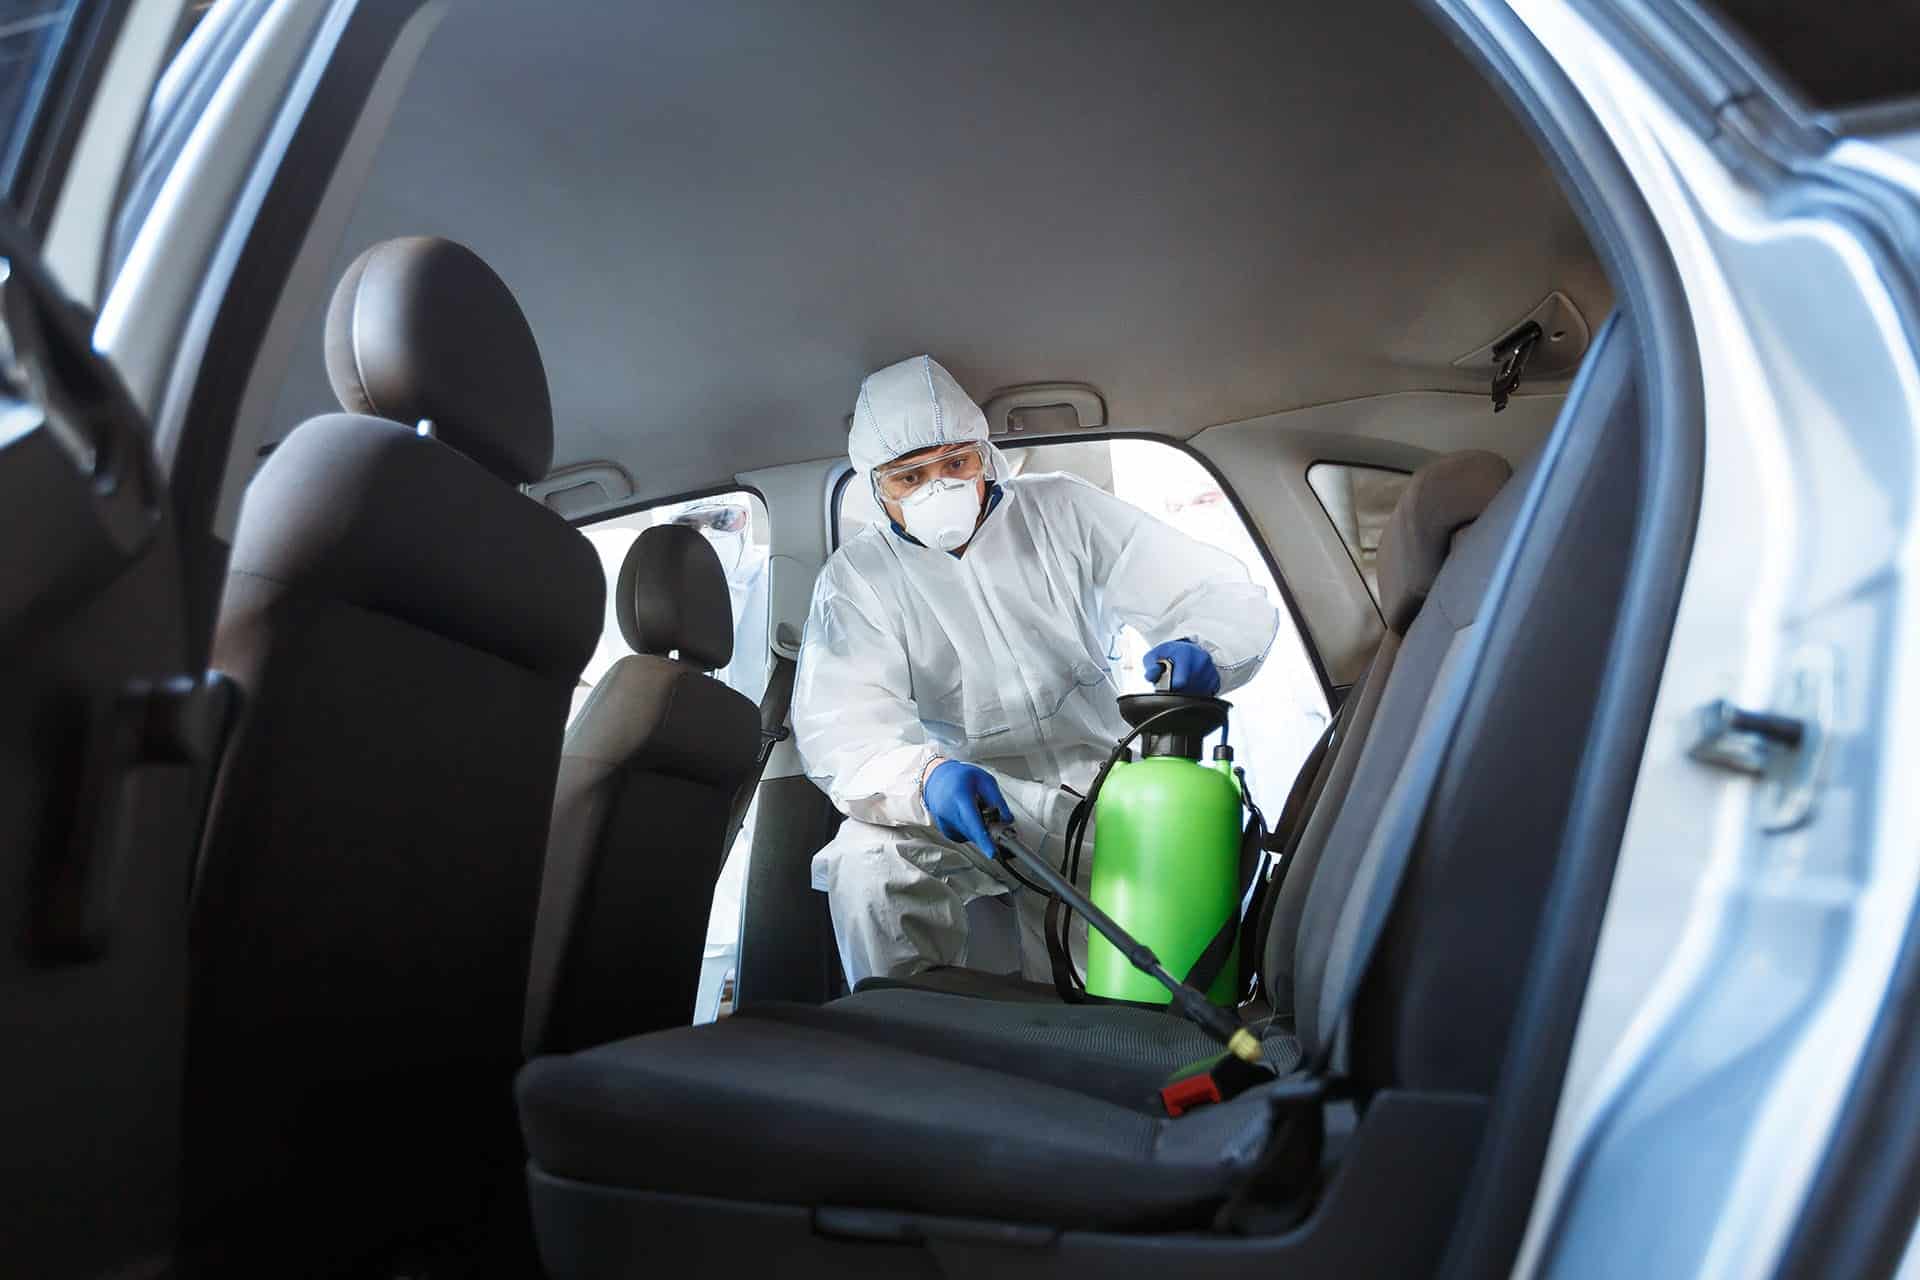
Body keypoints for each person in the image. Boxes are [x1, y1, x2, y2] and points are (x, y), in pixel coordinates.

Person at [794, 354, 1280, 985]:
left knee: (1131, 1003)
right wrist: (925, 777)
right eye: (910, 477)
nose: (937, 489)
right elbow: (843, 727)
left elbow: (1212, 590)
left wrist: (1206, 648)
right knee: (868, 859)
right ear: (877, 488)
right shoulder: (858, 579)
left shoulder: (1063, 511)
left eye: (954, 464)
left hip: (1105, 797)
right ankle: (908, 1026)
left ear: (985, 456)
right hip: (979, 807)